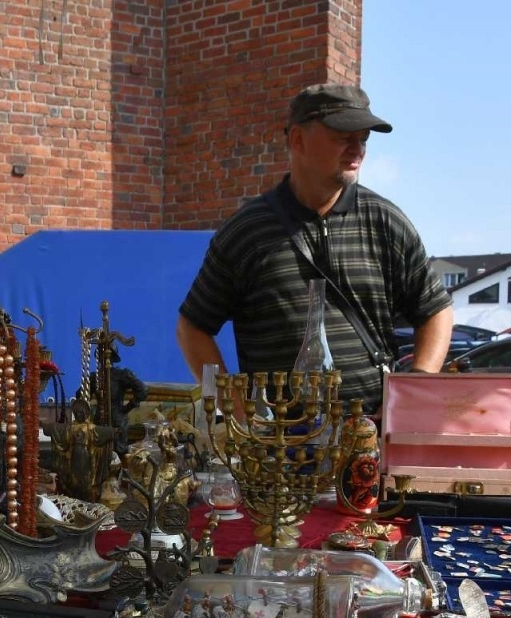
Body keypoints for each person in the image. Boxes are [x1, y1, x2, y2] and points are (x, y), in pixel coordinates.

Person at [177, 84, 454, 411]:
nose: (358, 149)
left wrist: (414, 390)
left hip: (372, 442)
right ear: (298, 139)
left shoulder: (386, 221)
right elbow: (192, 329)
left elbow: (436, 311)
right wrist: (233, 408)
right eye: (344, 136)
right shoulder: (247, 231)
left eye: (363, 139)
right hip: (277, 450)